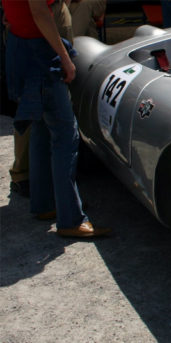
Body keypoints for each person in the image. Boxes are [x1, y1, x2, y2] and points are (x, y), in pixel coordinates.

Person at [3, 0, 110, 237]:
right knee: (65, 135)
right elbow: (39, 10)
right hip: (40, 53)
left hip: (24, 47)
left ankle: (46, 203)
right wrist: (64, 57)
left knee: (42, 128)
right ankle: (71, 219)